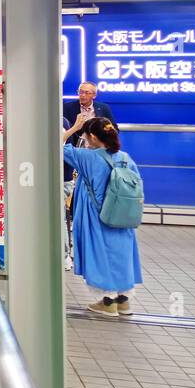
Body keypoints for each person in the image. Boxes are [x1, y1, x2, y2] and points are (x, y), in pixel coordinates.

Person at [63, 116, 142, 316]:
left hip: (97, 216)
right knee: (122, 254)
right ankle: (123, 301)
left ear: (92, 136)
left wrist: (73, 128)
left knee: (101, 254)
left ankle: (108, 302)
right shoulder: (125, 157)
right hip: (123, 215)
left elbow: (57, 146)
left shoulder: (88, 157)